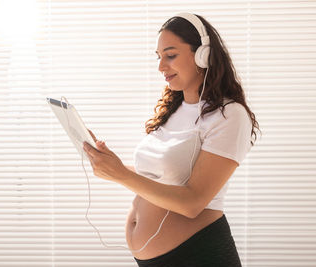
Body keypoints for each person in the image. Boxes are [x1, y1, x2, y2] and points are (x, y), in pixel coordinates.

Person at [82, 12, 260, 267]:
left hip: (199, 255)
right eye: (159, 57)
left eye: (171, 55)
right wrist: (112, 166)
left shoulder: (229, 114)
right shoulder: (173, 110)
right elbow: (160, 179)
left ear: (203, 55)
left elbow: (192, 203)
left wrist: (122, 175)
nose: (161, 67)